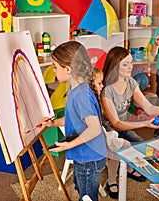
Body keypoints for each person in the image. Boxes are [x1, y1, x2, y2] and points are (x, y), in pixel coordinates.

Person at [43, 41, 107, 201]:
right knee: (81, 188)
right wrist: (53, 123)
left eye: (55, 66)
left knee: (86, 197)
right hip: (85, 155)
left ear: (68, 69)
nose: (54, 70)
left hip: (88, 157)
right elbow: (73, 118)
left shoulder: (80, 95)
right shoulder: (77, 89)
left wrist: (69, 145)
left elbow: (94, 129)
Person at [101, 46, 159, 144]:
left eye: (131, 63)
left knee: (141, 145)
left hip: (124, 128)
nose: (130, 67)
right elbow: (116, 123)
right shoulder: (107, 90)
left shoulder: (130, 82)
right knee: (130, 148)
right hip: (109, 133)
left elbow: (149, 108)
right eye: (125, 64)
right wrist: (145, 123)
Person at [90, 67, 146, 199]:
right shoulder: (91, 101)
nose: (102, 85)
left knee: (138, 145)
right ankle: (112, 180)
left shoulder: (103, 95)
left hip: (113, 131)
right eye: (99, 83)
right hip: (103, 137)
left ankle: (127, 167)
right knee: (123, 146)